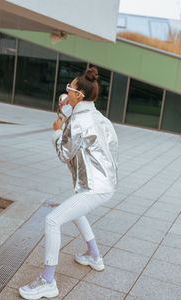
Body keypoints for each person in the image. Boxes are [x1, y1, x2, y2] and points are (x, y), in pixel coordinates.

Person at [19, 67, 118, 300]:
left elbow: (64, 154)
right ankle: (94, 256)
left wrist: (57, 132)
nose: (67, 91)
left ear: (79, 95)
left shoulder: (79, 121)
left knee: (52, 220)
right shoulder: (101, 118)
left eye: (70, 88)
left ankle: (48, 281)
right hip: (104, 184)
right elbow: (110, 148)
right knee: (74, 210)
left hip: (94, 188)